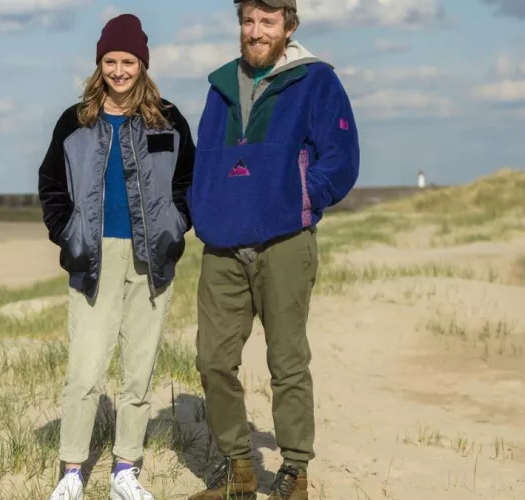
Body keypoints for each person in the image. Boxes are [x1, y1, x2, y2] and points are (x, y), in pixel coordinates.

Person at [186, 1, 360, 499]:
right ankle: (237, 467)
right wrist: (204, 208)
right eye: (248, 22)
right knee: (211, 359)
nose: (256, 31)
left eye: (267, 22)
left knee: (286, 360)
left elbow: (342, 157)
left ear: (288, 27)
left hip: (286, 240)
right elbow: (206, 160)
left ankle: (295, 471)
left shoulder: (316, 80)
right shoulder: (219, 87)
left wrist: (302, 198)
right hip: (222, 244)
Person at [38, 12, 196, 500]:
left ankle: (126, 468)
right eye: (111, 60)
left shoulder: (167, 119)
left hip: (153, 260)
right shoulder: (75, 120)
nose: (120, 70)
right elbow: (51, 186)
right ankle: (71, 472)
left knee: (138, 369)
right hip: (93, 260)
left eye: (129, 61)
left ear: (143, 65)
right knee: (85, 369)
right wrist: (69, 235)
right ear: (99, 63)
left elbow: (188, 184)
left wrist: (174, 228)